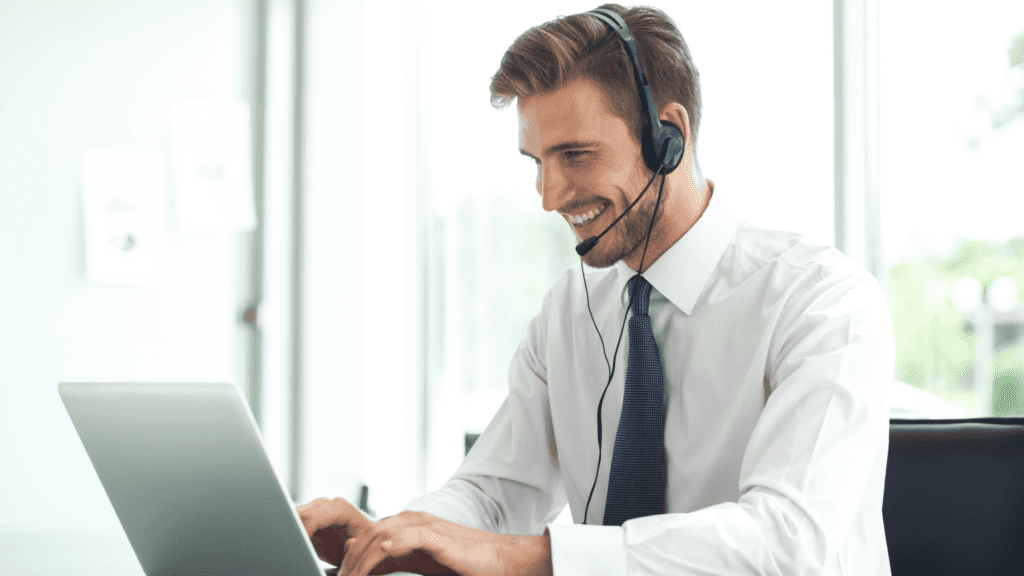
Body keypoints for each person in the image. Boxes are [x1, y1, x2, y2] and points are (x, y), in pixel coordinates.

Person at [298, 4, 895, 575]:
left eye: (575, 156)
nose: (550, 196)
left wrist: (528, 562)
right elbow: (499, 490)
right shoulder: (570, 309)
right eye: (536, 161)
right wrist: (397, 538)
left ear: (669, 136)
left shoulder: (822, 302)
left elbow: (786, 542)